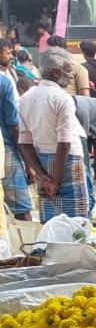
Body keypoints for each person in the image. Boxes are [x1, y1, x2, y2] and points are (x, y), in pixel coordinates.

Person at [17, 49, 92, 221]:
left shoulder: (26, 98)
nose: (72, 75)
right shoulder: (62, 98)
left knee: (51, 220)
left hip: (41, 159)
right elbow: (64, 144)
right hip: (67, 162)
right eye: (68, 70)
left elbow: (24, 143)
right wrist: (55, 181)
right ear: (56, 72)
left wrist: (43, 176)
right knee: (76, 221)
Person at [0, 64, 30, 221]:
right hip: (6, 152)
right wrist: (28, 164)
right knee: (21, 207)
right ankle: (27, 245)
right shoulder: (3, 82)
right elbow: (14, 126)